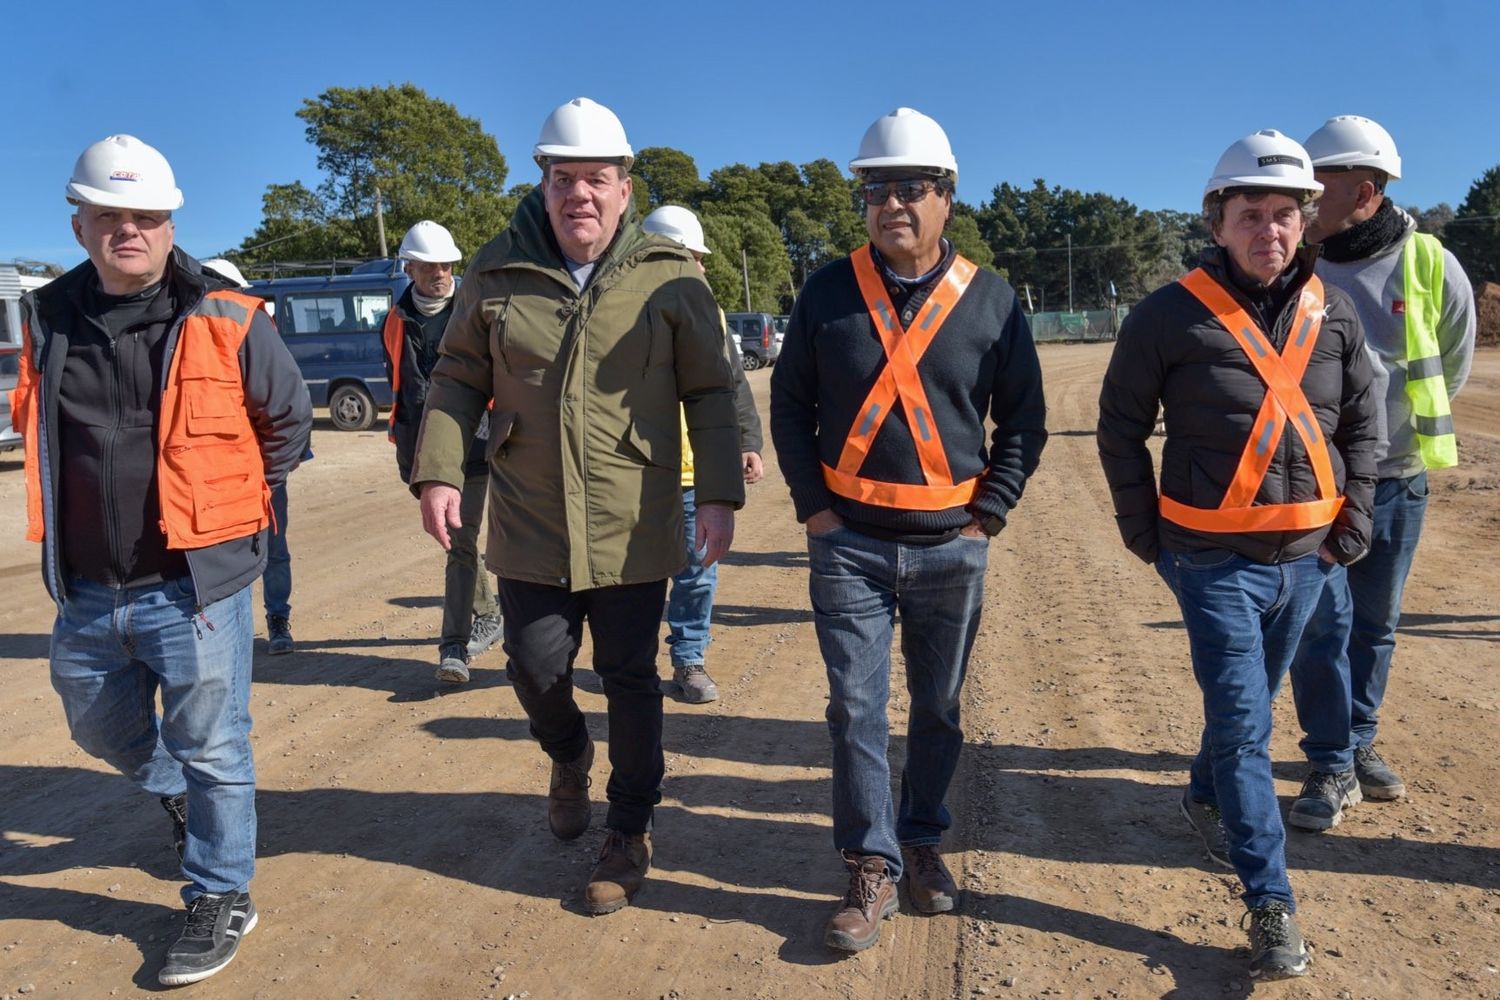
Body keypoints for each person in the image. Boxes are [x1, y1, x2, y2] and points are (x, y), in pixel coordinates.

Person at [409, 98, 744, 914]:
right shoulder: (494, 270)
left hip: (635, 516)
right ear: (545, 183)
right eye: (565, 178)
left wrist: (722, 495)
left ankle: (629, 830)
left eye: (598, 178)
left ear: (625, 188)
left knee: (629, 675)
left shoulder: (669, 275)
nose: (580, 195)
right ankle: (566, 754)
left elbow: (710, 386)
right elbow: (456, 378)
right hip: (530, 513)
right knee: (534, 664)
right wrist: (441, 472)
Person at [13, 135, 312, 986]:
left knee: (216, 744)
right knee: (94, 719)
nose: (129, 232)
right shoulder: (51, 314)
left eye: (145, 217)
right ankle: (173, 788)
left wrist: (229, 511)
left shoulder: (225, 312)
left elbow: (286, 423)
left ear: (170, 221)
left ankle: (221, 894)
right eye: (110, 217)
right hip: (87, 584)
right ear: (81, 226)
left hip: (194, 586)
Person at [1097, 129, 1378, 980]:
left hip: (1307, 560)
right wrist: (1143, 529)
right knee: (1248, 726)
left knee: (1242, 709)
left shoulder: (1336, 315)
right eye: (1250, 213)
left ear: (1307, 223)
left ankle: (1203, 793)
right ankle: (1270, 901)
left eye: (1285, 214)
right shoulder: (1167, 314)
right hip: (1211, 562)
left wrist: (1351, 523)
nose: (1270, 229)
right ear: (1217, 221)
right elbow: (1119, 428)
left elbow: (1367, 423)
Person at [770, 108, 1046, 953]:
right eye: (876, 188)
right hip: (847, 543)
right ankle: (871, 864)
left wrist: (987, 511)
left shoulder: (993, 301)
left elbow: (1025, 424)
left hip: (950, 545)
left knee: (939, 708)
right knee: (855, 708)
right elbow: (788, 408)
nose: (893, 203)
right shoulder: (825, 291)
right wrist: (815, 510)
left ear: (947, 198)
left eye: (911, 188)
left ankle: (922, 839)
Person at [1287, 115, 1476, 813]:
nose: (1303, 197)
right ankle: (1331, 761)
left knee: (1375, 623)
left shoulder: (1428, 263)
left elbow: (1450, 362)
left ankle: (1358, 736)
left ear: (1364, 188)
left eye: (1318, 183)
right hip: (1311, 485)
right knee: (1319, 624)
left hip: (1396, 480)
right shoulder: (1293, 260)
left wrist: (1390, 436)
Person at [640, 204, 764, 703]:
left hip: (694, 473)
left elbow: (731, 381)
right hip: (635, 474)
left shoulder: (707, 308)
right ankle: (629, 663)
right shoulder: (614, 310)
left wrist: (747, 440)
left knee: (696, 574)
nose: (703, 268)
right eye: (693, 256)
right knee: (634, 578)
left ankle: (688, 659)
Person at [380, 221, 502, 683]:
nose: (441, 272)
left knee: (459, 540)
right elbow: (400, 383)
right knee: (460, 539)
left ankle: (453, 647)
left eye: (447, 263)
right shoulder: (395, 320)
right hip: (420, 448)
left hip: (476, 442)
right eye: (430, 265)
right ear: (409, 267)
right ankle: (489, 614)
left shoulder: (474, 310)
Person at [204, 257, 304, 657]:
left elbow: (286, 408)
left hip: (260, 472)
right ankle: (229, 631)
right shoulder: (187, 339)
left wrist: (272, 472)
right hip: (215, 477)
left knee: (274, 548)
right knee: (225, 559)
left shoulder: (255, 327)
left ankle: (277, 620)